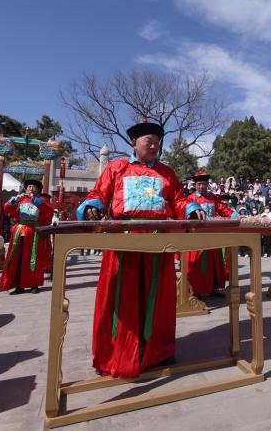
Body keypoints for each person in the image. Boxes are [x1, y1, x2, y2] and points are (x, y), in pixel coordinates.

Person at [77, 119, 204, 378]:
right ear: (134, 143)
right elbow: (98, 194)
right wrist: (93, 206)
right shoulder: (117, 168)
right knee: (120, 296)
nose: (154, 145)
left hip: (158, 239)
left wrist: (191, 208)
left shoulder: (167, 173)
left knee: (157, 297)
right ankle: (114, 354)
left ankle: (157, 351)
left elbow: (178, 200)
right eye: (149, 141)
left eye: (158, 142)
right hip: (123, 238)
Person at [185, 169, 238, 297]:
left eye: (204, 184)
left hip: (212, 236)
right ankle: (195, 291)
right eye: (199, 184)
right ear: (195, 185)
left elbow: (223, 209)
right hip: (196, 238)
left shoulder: (213, 198)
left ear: (207, 184)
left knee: (214, 264)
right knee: (197, 265)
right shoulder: (190, 198)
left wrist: (236, 215)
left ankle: (214, 288)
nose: (202, 186)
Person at [0, 180, 53, 294]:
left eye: (34, 187)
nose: (31, 189)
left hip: (34, 232)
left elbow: (48, 211)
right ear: (25, 189)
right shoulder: (20, 200)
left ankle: (34, 284)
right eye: (29, 187)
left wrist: (35, 200)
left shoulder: (41, 201)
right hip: (20, 231)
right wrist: (14, 200)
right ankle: (19, 285)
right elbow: (7, 208)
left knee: (33, 258)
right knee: (18, 259)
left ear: (38, 190)